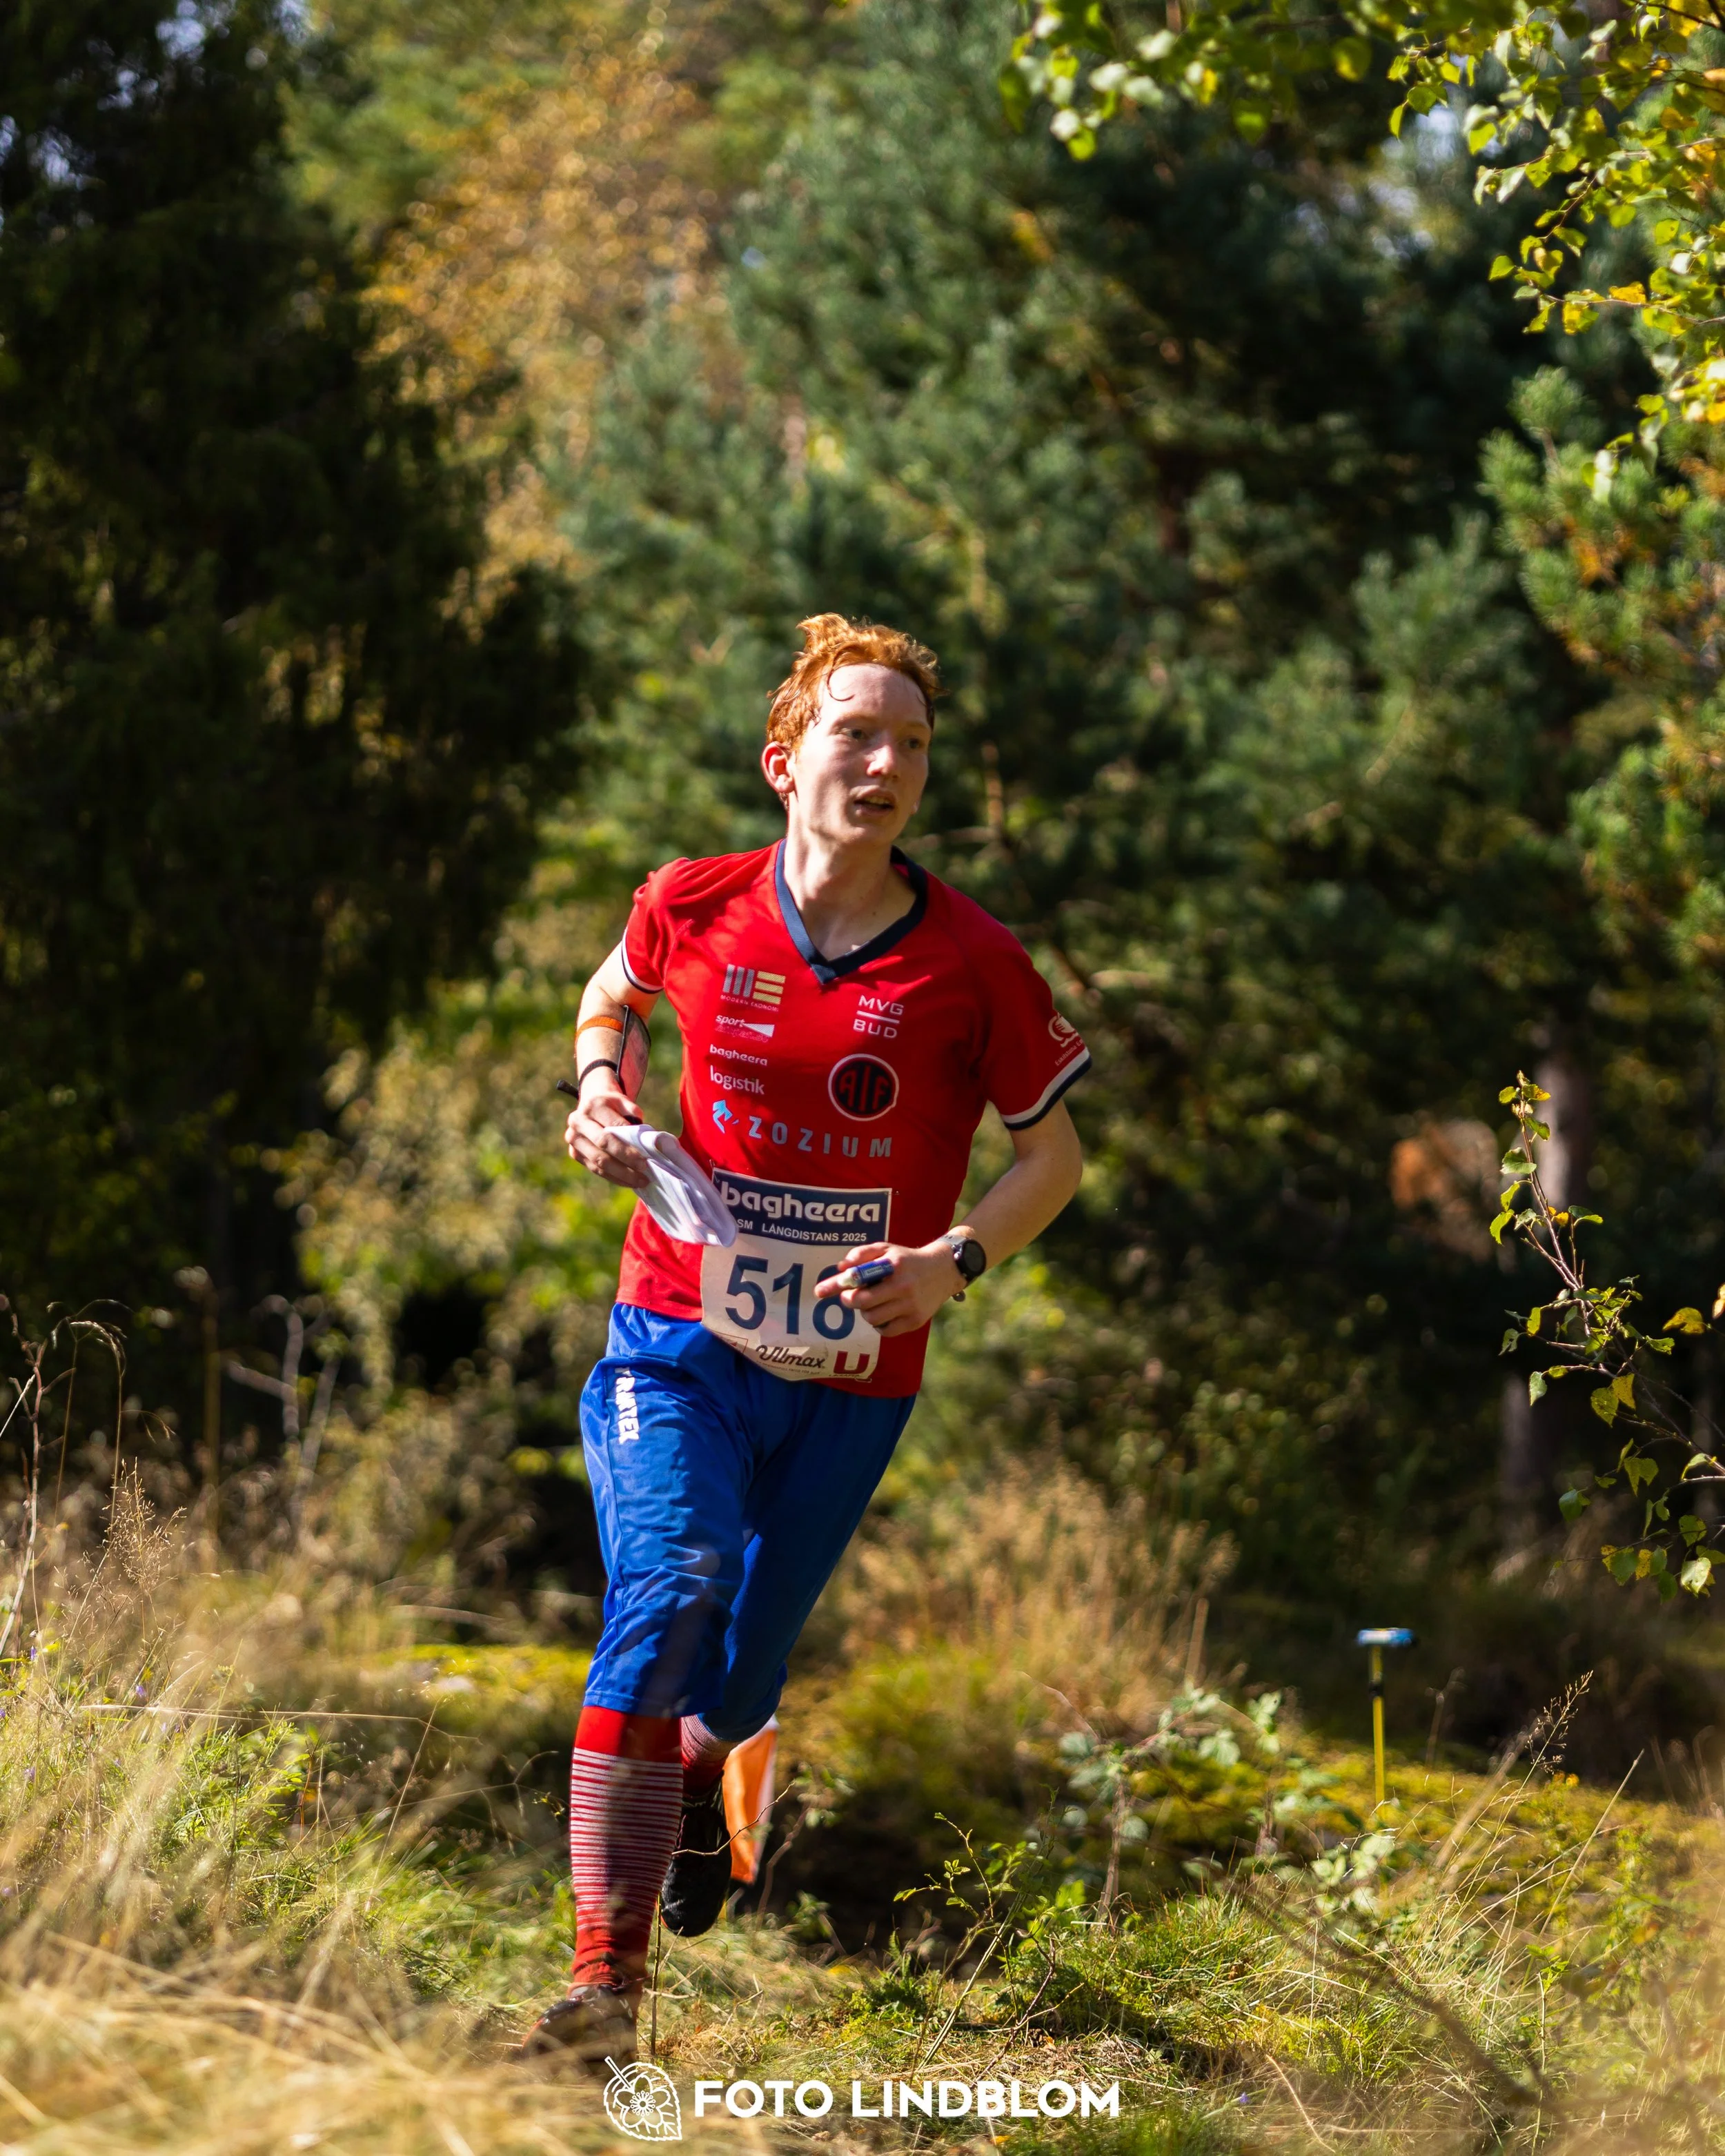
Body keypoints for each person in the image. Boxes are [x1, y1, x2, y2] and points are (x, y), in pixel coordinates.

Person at [520, 613, 1089, 2061]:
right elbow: (609, 998)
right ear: (787, 762)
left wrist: (953, 1258)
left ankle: (707, 1797)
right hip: (677, 1335)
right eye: (856, 733)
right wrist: (598, 1088)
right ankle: (603, 1990)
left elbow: (1051, 1160)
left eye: (909, 741)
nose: (885, 761)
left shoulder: (970, 961)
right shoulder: (694, 900)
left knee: (734, 1683)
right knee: (670, 1590)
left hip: (851, 1377)